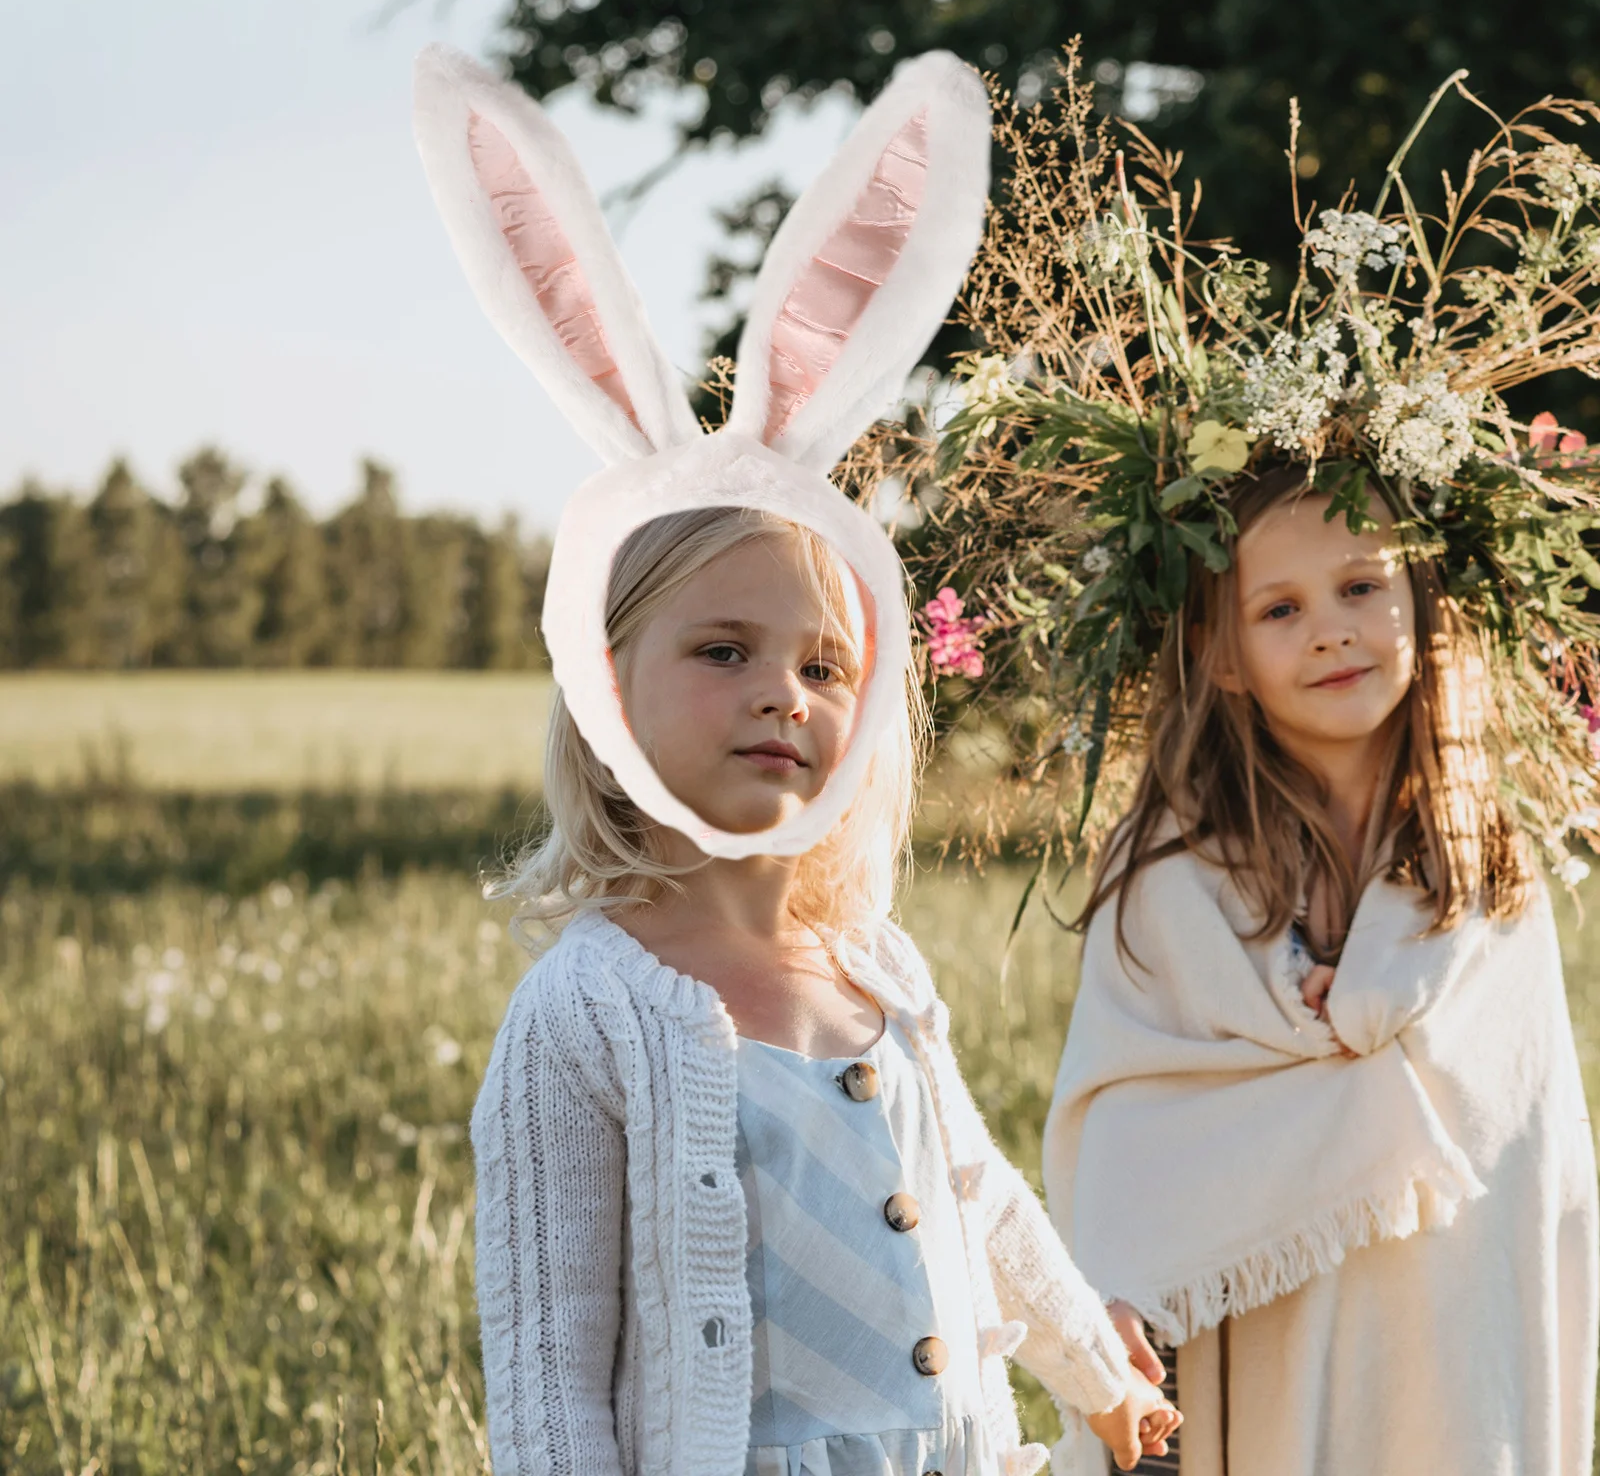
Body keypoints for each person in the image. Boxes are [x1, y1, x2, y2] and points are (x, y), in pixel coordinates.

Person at [472, 505, 1182, 1475]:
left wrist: (1104, 1377)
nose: (782, 696)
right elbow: (548, 1365)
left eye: (823, 668)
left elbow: (981, 1201)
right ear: (608, 691)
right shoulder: (588, 1010)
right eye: (723, 651)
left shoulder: (876, 966)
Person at [1043, 465, 1599, 1474]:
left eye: (1359, 587)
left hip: (1442, 1328)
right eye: (1280, 608)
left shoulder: (1476, 859)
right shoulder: (1168, 873)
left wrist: (1374, 1012)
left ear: (1419, 605)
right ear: (1221, 657)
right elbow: (1127, 1113)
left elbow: (1525, 1150)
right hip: (1255, 1340)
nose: (1331, 630)